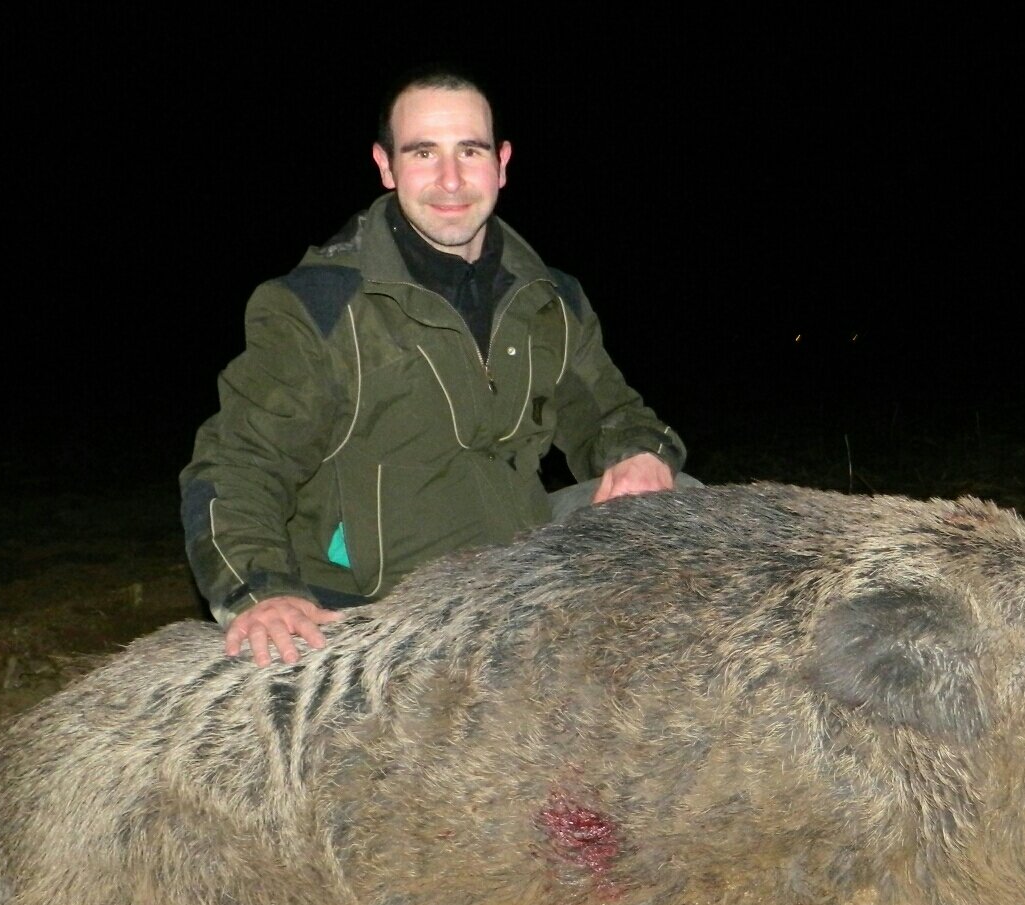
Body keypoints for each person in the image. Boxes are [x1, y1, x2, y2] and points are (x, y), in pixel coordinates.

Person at [181, 66, 689, 667]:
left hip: (518, 559)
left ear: (501, 163)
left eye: (469, 151)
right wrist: (259, 591)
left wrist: (639, 454)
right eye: (424, 153)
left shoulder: (549, 297)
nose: (451, 180)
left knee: (686, 501)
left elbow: (614, 414)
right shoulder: (315, 306)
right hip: (388, 600)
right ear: (386, 165)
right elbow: (238, 464)